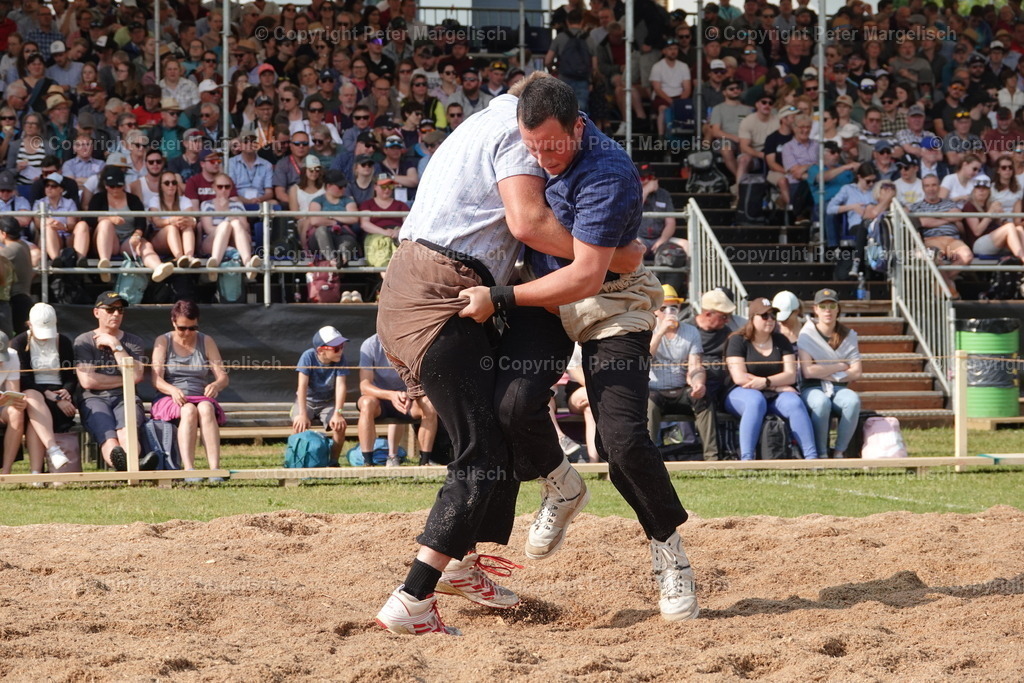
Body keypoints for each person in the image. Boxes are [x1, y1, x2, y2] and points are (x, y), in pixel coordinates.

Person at [374, 75, 645, 635]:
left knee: (497, 429)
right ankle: (412, 598)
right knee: (481, 454)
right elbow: (528, 223)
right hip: (442, 291)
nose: (541, 154)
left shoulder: (478, 124)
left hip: (423, 285)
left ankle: (462, 562)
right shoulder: (514, 131)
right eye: (537, 143)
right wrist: (607, 254)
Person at [460, 75, 699, 621]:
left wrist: (500, 297)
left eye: (553, 147)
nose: (543, 159)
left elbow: (588, 276)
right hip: (546, 297)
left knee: (622, 441)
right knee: (511, 406)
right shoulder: (526, 141)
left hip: (610, 301)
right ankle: (562, 485)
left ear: (578, 126)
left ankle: (669, 550)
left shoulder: (608, 170)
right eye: (533, 148)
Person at [723, 297, 818, 461]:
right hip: (742, 391)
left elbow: (790, 374)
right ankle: (746, 460)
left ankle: (812, 459)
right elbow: (739, 377)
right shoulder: (737, 340)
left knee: (794, 403)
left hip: (773, 393)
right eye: (764, 316)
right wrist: (774, 385)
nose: (770, 320)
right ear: (752, 318)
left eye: (773, 316)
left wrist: (766, 383)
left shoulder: (782, 340)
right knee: (755, 401)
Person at [150, 300, 228, 479]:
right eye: (182, 328)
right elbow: (156, 379)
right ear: (173, 322)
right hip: (169, 396)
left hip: (199, 395)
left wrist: (216, 385)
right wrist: (171, 390)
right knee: (189, 410)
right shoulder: (163, 341)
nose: (187, 333)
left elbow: (223, 376)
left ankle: (215, 469)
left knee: (206, 408)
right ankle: (189, 468)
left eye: (192, 328)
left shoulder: (206, 341)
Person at [73, 291, 151, 471]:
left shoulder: (133, 341)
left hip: (125, 397)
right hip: (93, 398)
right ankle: (134, 467)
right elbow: (88, 381)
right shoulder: (84, 341)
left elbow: (136, 375)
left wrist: (115, 345)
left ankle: (129, 468)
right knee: (108, 437)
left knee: (127, 433)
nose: (116, 314)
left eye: (120, 310)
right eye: (110, 309)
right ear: (96, 312)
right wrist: (127, 380)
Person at [648, 285, 719, 461]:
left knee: (703, 397)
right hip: (655, 390)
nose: (669, 312)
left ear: (679, 308)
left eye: (673, 307)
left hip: (680, 389)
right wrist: (661, 331)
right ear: (656, 310)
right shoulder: (648, 331)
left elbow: (696, 366)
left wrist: (699, 383)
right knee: (647, 403)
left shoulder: (690, 331)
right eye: (664, 308)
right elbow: (645, 357)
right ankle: (649, 460)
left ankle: (712, 458)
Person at [8, 303, 76, 475]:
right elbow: (23, 378)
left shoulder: (63, 341)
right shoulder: (19, 342)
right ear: (29, 324)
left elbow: (70, 374)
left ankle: (36, 473)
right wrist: (49, 395)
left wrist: (66, 392)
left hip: (59, 394)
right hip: (33, 392)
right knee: (32, 399)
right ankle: (52, 450)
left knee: (35, 419)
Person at [357, 332, 438, 467]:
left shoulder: (413, 343)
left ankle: (424, 461)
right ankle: (368, 462)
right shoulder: (370, 345)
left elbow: (422, 378)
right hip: (380, 401)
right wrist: (391, 395)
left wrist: (410, 395)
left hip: (407, 399)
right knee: (366, 403)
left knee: (429, 405)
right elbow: (364, 386)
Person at [798, 288, 862, 459]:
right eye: (823, 306)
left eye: (832, 306)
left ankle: (839, 451)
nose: (828, 310)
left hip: (839, 386)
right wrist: (840, 365)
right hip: (812, 387)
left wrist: (825, 372)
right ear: (815, 309)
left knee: (852, 401)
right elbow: (808, 371)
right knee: (821, 403)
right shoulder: (806, 335)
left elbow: (856, 372)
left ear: (838, 309)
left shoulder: (848, 335)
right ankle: (821, 453)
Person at [291, 325, 349, 464]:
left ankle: (333, 462)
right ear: (321, 350)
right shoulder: (308, 356)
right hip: (307, 402)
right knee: (299, 425)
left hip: (328, 403)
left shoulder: (341, 359)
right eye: (336, 348)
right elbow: (302, 387)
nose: (341, 351)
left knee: (340, 426)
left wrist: (338, 413)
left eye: (342, 346)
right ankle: (297, 462)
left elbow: (341, 386)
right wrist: (302, 414)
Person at [199, 173, 261, 281]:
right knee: (226, 225)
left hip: (235, 240)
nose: (223, 190)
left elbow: (245, 228)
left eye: (227, 187)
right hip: (212, 241)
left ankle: (248, 265)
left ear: (231, 188)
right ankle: (214, 265)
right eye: (220, 187)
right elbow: (208, 229)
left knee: (236, 223)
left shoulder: (237, 204)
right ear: (214, 187)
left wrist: (231, 219)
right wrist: (226, 227)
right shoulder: (206, 204)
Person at [0, 331, 28, 475]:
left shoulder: (12, 356)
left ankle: (6, 472)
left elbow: (13, 391)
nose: (1, 362)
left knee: (17, 412)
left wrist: (17, 402)